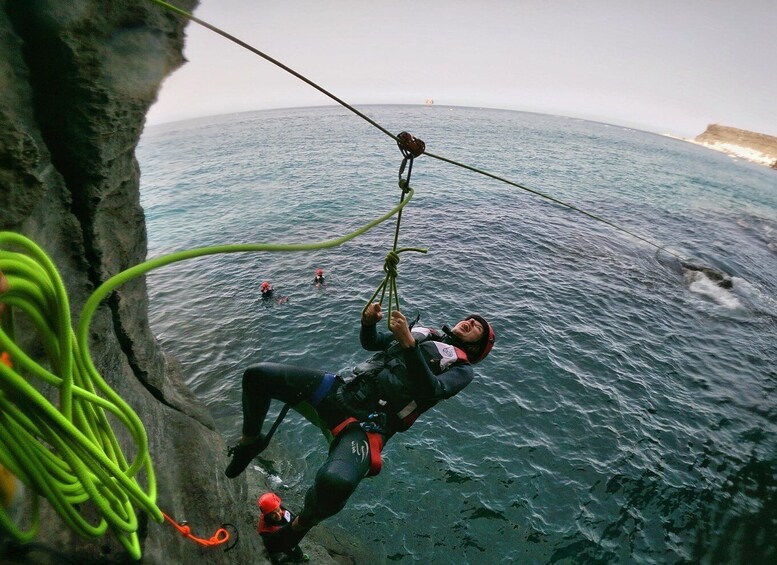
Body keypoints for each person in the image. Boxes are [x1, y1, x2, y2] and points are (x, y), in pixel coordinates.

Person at [224, 302, 495, 552]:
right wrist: (368, 323)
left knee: (336, 482)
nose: (470, 322)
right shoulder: (423, 333)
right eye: (469, 319)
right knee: (257, 376)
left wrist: (409, 346)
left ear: (476, 347)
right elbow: (372, 343)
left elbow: (432, 391)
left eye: (477, 328)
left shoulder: (462, 368)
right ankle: (251, 442)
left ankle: (299, 527)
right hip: (341, 392)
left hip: (370, 425)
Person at [257, 493, 308, 564]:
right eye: (273, 514)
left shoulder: (282, 510)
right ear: (267, 515)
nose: (278, 515)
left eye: (278, 510)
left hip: (284, 537)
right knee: (279, 559)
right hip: (278, 545)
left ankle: (298, 558)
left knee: (296, 551)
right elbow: (271, 547)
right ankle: (296, 560)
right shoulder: (265, 531)